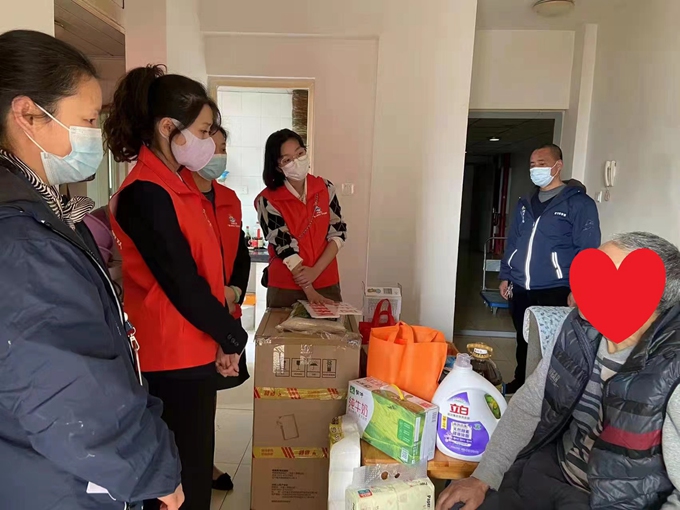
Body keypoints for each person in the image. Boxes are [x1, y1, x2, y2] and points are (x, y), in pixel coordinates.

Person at [0, 30, 183, 510]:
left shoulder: (49, 214)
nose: (94, 135)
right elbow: (64, 390)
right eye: (86, 120)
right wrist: (151, 469)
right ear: (28, 115)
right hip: (51, 482)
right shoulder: (20, 241)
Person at [438, 232, 680, 510]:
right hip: (548, 472)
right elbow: (529, 405)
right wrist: (483, 477)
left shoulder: (671, 371)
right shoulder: (576, 331)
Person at [104, 65, 248, 510]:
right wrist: (231, 335)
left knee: (195, 471)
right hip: (169, 357)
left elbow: (208, 271)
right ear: (169, 128)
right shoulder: (145, 194)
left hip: (194, 348)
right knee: (177, 484)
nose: (209, 142)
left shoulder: (180, 187)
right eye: (203, 131)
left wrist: (221, 337)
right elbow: (181, 283)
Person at [181, 125, 251, 491]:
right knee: (187, 402)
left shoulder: (229, 199)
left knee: (208, 397)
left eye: (223, 147)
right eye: (214, 146)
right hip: (190, 317)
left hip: (225, 312)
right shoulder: (176, 194)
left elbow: (241, 254)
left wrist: (235, 291)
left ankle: (202, 465)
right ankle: (187, 470)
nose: (219, 154)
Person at [498, 143, 600, 394]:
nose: (536, 169)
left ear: (558, 165)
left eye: (541, 164)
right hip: (521, 285)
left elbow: (587, 250)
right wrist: (506, 275)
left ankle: (551, 389)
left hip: (557, 287)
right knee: (524, 338)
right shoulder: (525, 203)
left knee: (554, 342)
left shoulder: (579, 204)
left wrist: (580, 289)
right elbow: (514, 241)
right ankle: (522, 381)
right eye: (532, 165)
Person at [256, 129, 347, 307]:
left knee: (332, 325)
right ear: (278, 167)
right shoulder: (267, 200)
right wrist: (309, 288)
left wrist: (315, 271)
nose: (296, 161)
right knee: (283, 326)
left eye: (299, 153)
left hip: (326, 281)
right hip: (285, 286)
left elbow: (338, 233)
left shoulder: (325, 188)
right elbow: (284, 247)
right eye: (287, 160)